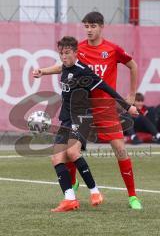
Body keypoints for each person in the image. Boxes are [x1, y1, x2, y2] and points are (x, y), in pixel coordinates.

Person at [33, 12, 142, 210]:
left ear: (101, 27)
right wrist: (43, 71)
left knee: (120, 149)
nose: (89, 30)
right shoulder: (79, 48)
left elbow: (133, 65)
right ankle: (74, 188)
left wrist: (131, 96)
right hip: (82, 108)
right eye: (86, 26)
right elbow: (64, 66)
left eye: (93, 26)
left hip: (106, 107)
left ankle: (132, 196)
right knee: (69, 150)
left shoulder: (112, 49)